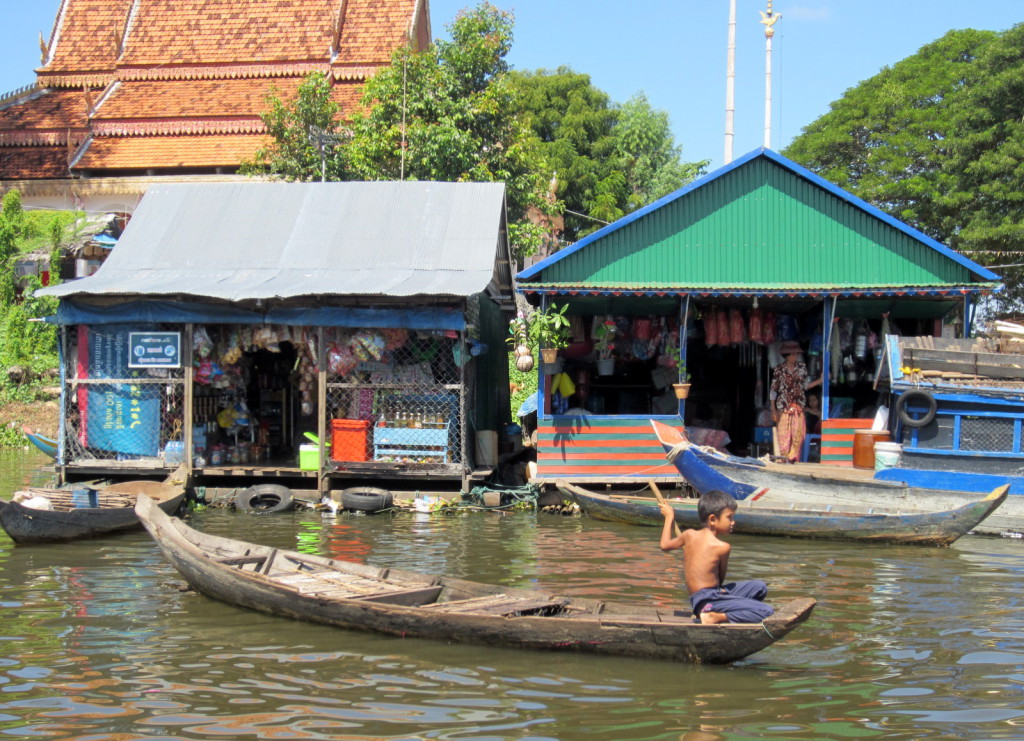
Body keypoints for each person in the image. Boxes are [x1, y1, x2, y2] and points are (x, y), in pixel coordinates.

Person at [658, 490, 775, 624]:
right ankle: (716, 616)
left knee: (759, 587)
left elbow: (665, 545)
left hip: (703, 597)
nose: (733, 522)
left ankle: (732, 609)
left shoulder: (688, 534)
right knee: (767, 611)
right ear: (713, 519)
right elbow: (720, 578)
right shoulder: (722, 547)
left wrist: (669, 517)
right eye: (729, 517)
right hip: (708, 601)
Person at [771, 340, 822, 463]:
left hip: (798, 406)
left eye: (796, 354)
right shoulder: (779, 369)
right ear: (786, 356)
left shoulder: (801, 367)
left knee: (797, 435)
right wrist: (773, 408)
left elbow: (805, 385)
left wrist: (820, 380)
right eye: (792, 354)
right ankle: (783, 459)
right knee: (783, 435)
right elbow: (773, 390)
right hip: (783, 407)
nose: (795, 356)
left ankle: (793, 459)